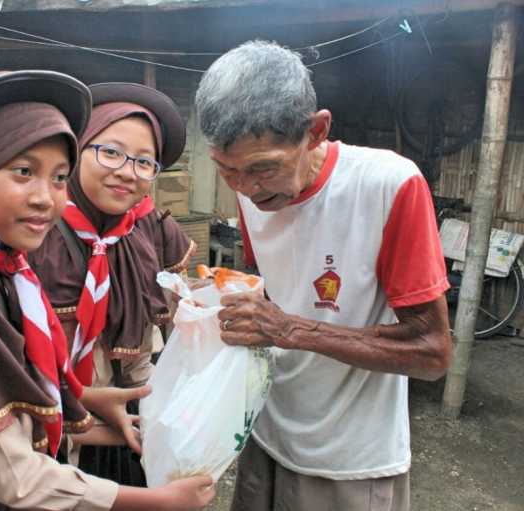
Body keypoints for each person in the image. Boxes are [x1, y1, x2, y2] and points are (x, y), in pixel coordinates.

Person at [0, 70, 214, 511]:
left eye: (57, 178)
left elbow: (9, 380)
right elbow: (16, 478)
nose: (45, 199)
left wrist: (86, 399)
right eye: (23, 172)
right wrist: (158, 502)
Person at [194, 40, 453, 511]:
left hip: (347, 459)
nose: (247, 190)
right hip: (264, 432)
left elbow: (433, 354)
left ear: (316, 131)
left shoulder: (389, 186)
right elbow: (276, 287)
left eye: (262, 169)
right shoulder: (252, 194)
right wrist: (210, 300)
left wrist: (292, 329)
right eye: (227, 171)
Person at [28, 82, 196, 486]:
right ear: (78, 149)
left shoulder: (155, 229)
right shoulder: (34, 228)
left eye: (144, 162)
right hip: (48, 428)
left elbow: (179, 319)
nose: (126, 172)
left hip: (135, 422)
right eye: (111, 152)